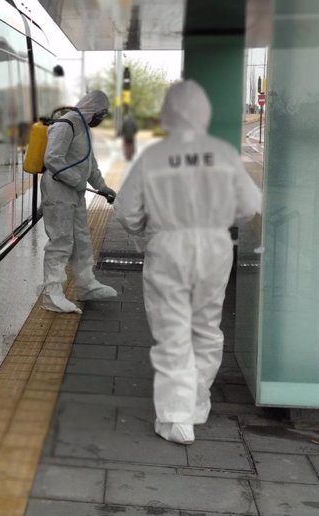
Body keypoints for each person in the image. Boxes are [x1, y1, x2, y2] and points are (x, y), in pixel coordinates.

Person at [113, 80, 261, 444]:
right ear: (203, 113)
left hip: (169, 247)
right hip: (215, 245)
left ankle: (177, 417)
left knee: (172, 329)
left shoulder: (154, 156)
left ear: (169, 113)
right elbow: (249, 205)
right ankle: (195, 404)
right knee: (207, 327)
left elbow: (126, 210)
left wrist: (147, 231)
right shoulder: (223, 153)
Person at [41, 90, 118, 314]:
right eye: (100, 114)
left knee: (82, 238)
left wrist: (103, 187)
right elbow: (52, 158)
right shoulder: (66, 125)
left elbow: (89, 164)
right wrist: (76, 181)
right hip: (58, 192)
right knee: (61, 241)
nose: (101, 119)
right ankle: (52, 294)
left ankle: (86, 284)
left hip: (74, 192)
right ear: (91, 109)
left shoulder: (83, 128)